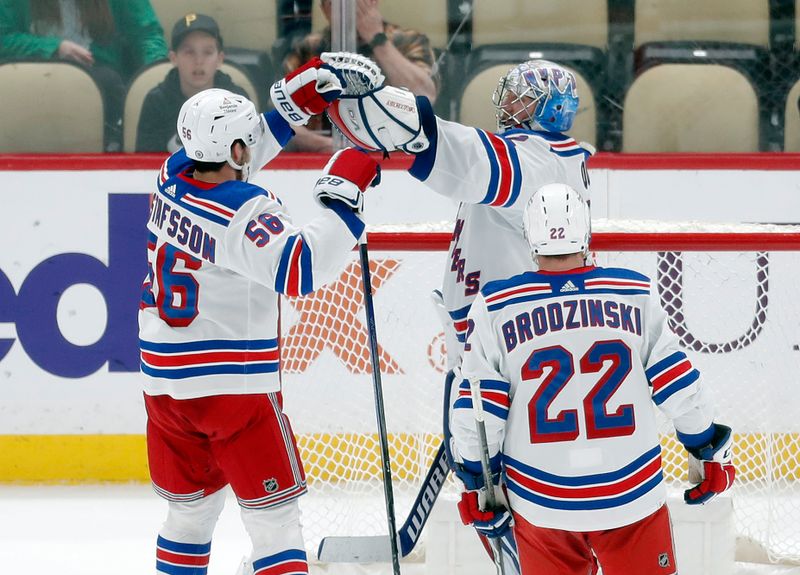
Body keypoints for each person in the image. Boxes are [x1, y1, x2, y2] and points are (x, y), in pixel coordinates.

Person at [326, 57, 594, 573]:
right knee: (493, 471)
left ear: (543, 111)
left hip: (499, 349)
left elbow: (432, 137)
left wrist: (375, 97)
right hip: (521, 339)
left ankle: (526, 563)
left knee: (487, 477)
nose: (507, 105)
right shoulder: (563, 159)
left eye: (519, 98)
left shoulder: (528, 162)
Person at [138, 57, 380, 575]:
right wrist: (347, 198)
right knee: (275, 524)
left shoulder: (169, 176)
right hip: (232, 390)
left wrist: (292, 106)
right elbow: (301, 268)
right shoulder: (243, 210)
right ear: (235, 149)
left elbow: (237, 154)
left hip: (164, 389)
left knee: (189, 515)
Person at [451, 183, 736, 575]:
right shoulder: (633, 291)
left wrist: (477, 483)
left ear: (529, 238)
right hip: (632, 496)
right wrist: (708, 450)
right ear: (585, 233)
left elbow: (479, 412)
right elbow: (680, 387)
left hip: (541, 502)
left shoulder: (496, 304)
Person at [0, 0, 167, 151]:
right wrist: (54, 48)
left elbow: (146, 35)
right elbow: (4, 38)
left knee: (109, 82)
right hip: (33, 86)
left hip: (106, 90)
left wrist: (156, 76)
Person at [281, 0, 438, 152]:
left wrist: (377, 38)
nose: (347, 11)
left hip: (396, 154)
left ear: (373, 2)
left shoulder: (408, 41)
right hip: (324, 157)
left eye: (357, 2)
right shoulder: (308, 48)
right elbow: (282, 115)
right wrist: (326, 145)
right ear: (324, 10)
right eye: (334, 4)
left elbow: (425, 96)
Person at [136, 13, 250, 153]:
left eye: (207, 52)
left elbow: (249, 157)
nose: (198, 61)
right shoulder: (156, 102)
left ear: (220, 59)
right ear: (174, 58)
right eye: (189, 52)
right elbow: (145, 166)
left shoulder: (237, 101)